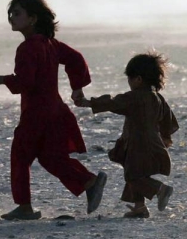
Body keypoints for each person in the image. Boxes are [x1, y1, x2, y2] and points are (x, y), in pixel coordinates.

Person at [0, 0, 107, 220]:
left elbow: (25, 83)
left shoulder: (28, 47)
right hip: (56, 111)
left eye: (17, 13)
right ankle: (88, 181)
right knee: (51, 157)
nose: (12, 18)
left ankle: (25, 207)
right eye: (11, 14)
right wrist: (77, 87)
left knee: (20, 156)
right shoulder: (51, 44)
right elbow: (76, 59)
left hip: (36, 113)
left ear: (33, 18)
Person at [75, 51, 178, 218]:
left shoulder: (136, 97)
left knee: (133, 176)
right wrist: (165, 137)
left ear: (138, 79)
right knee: (138, 174)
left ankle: (160, 189)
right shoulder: (158, 98)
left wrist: (89, 102)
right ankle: (139, 207)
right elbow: (168, 120)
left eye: (130, 79)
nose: (129, 83)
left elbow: (114, 102)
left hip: (138, 144)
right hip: (153, 143)